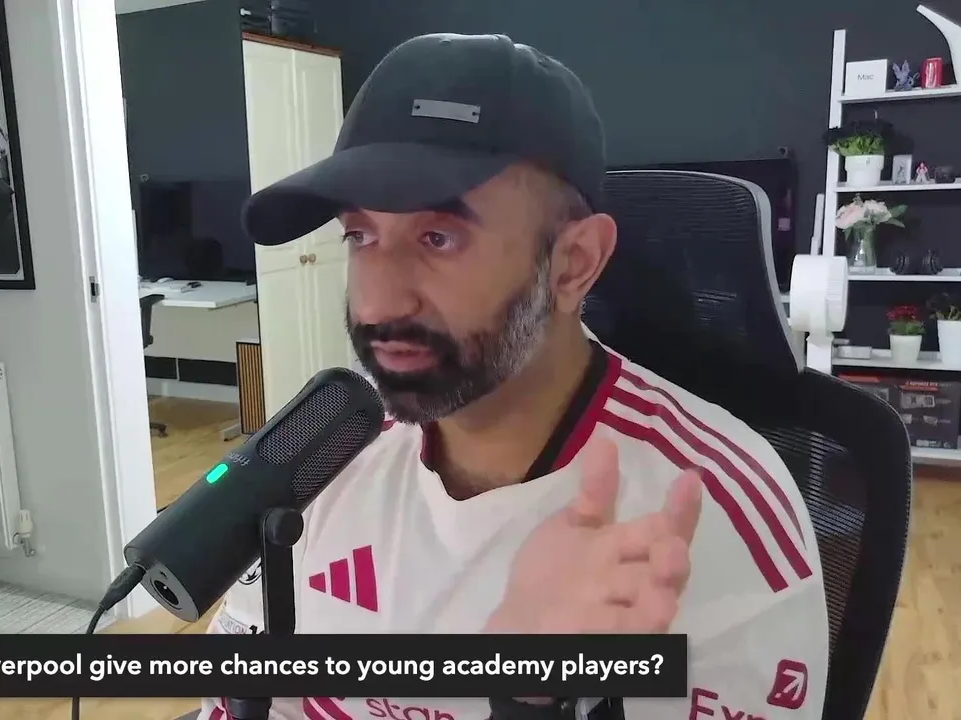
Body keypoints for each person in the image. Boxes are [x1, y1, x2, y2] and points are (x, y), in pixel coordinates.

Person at [204, 33, 828, 720]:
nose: (377, 304)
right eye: (360, 236)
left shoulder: (715, 514)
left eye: (439, 238)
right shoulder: (330, 451)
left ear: (573, 265)